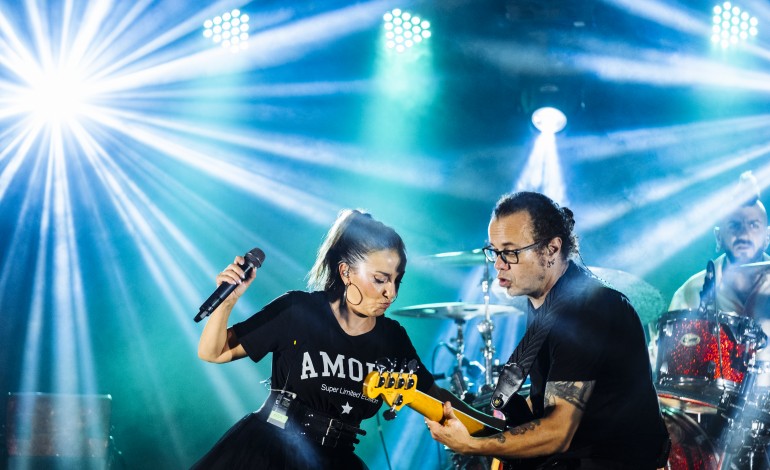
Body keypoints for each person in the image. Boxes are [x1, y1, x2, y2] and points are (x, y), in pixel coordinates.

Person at [191, 209, 485, 470]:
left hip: (336, 459)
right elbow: (213, 352)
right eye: (381, 279)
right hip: (270, 450)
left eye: (397, 280)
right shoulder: (298, 310)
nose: (391, 293)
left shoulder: (392, 338)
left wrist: (494, 431)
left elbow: (437, 398)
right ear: (346, 272)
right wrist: (227, 303)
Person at [425, 191, 670, 469]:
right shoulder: (547, 303)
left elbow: (557, 433)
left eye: (510, 252)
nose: (498, 264)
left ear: (552, 249)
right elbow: (542, 405)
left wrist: (472, 445)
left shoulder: (586, 310)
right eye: (494, 251)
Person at [669, 171, 770, 319]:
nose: (743, 234)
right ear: (719, 237)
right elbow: (664, 341)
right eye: (734, 225)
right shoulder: (691, 292)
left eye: (754, 225)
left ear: (767, 237)